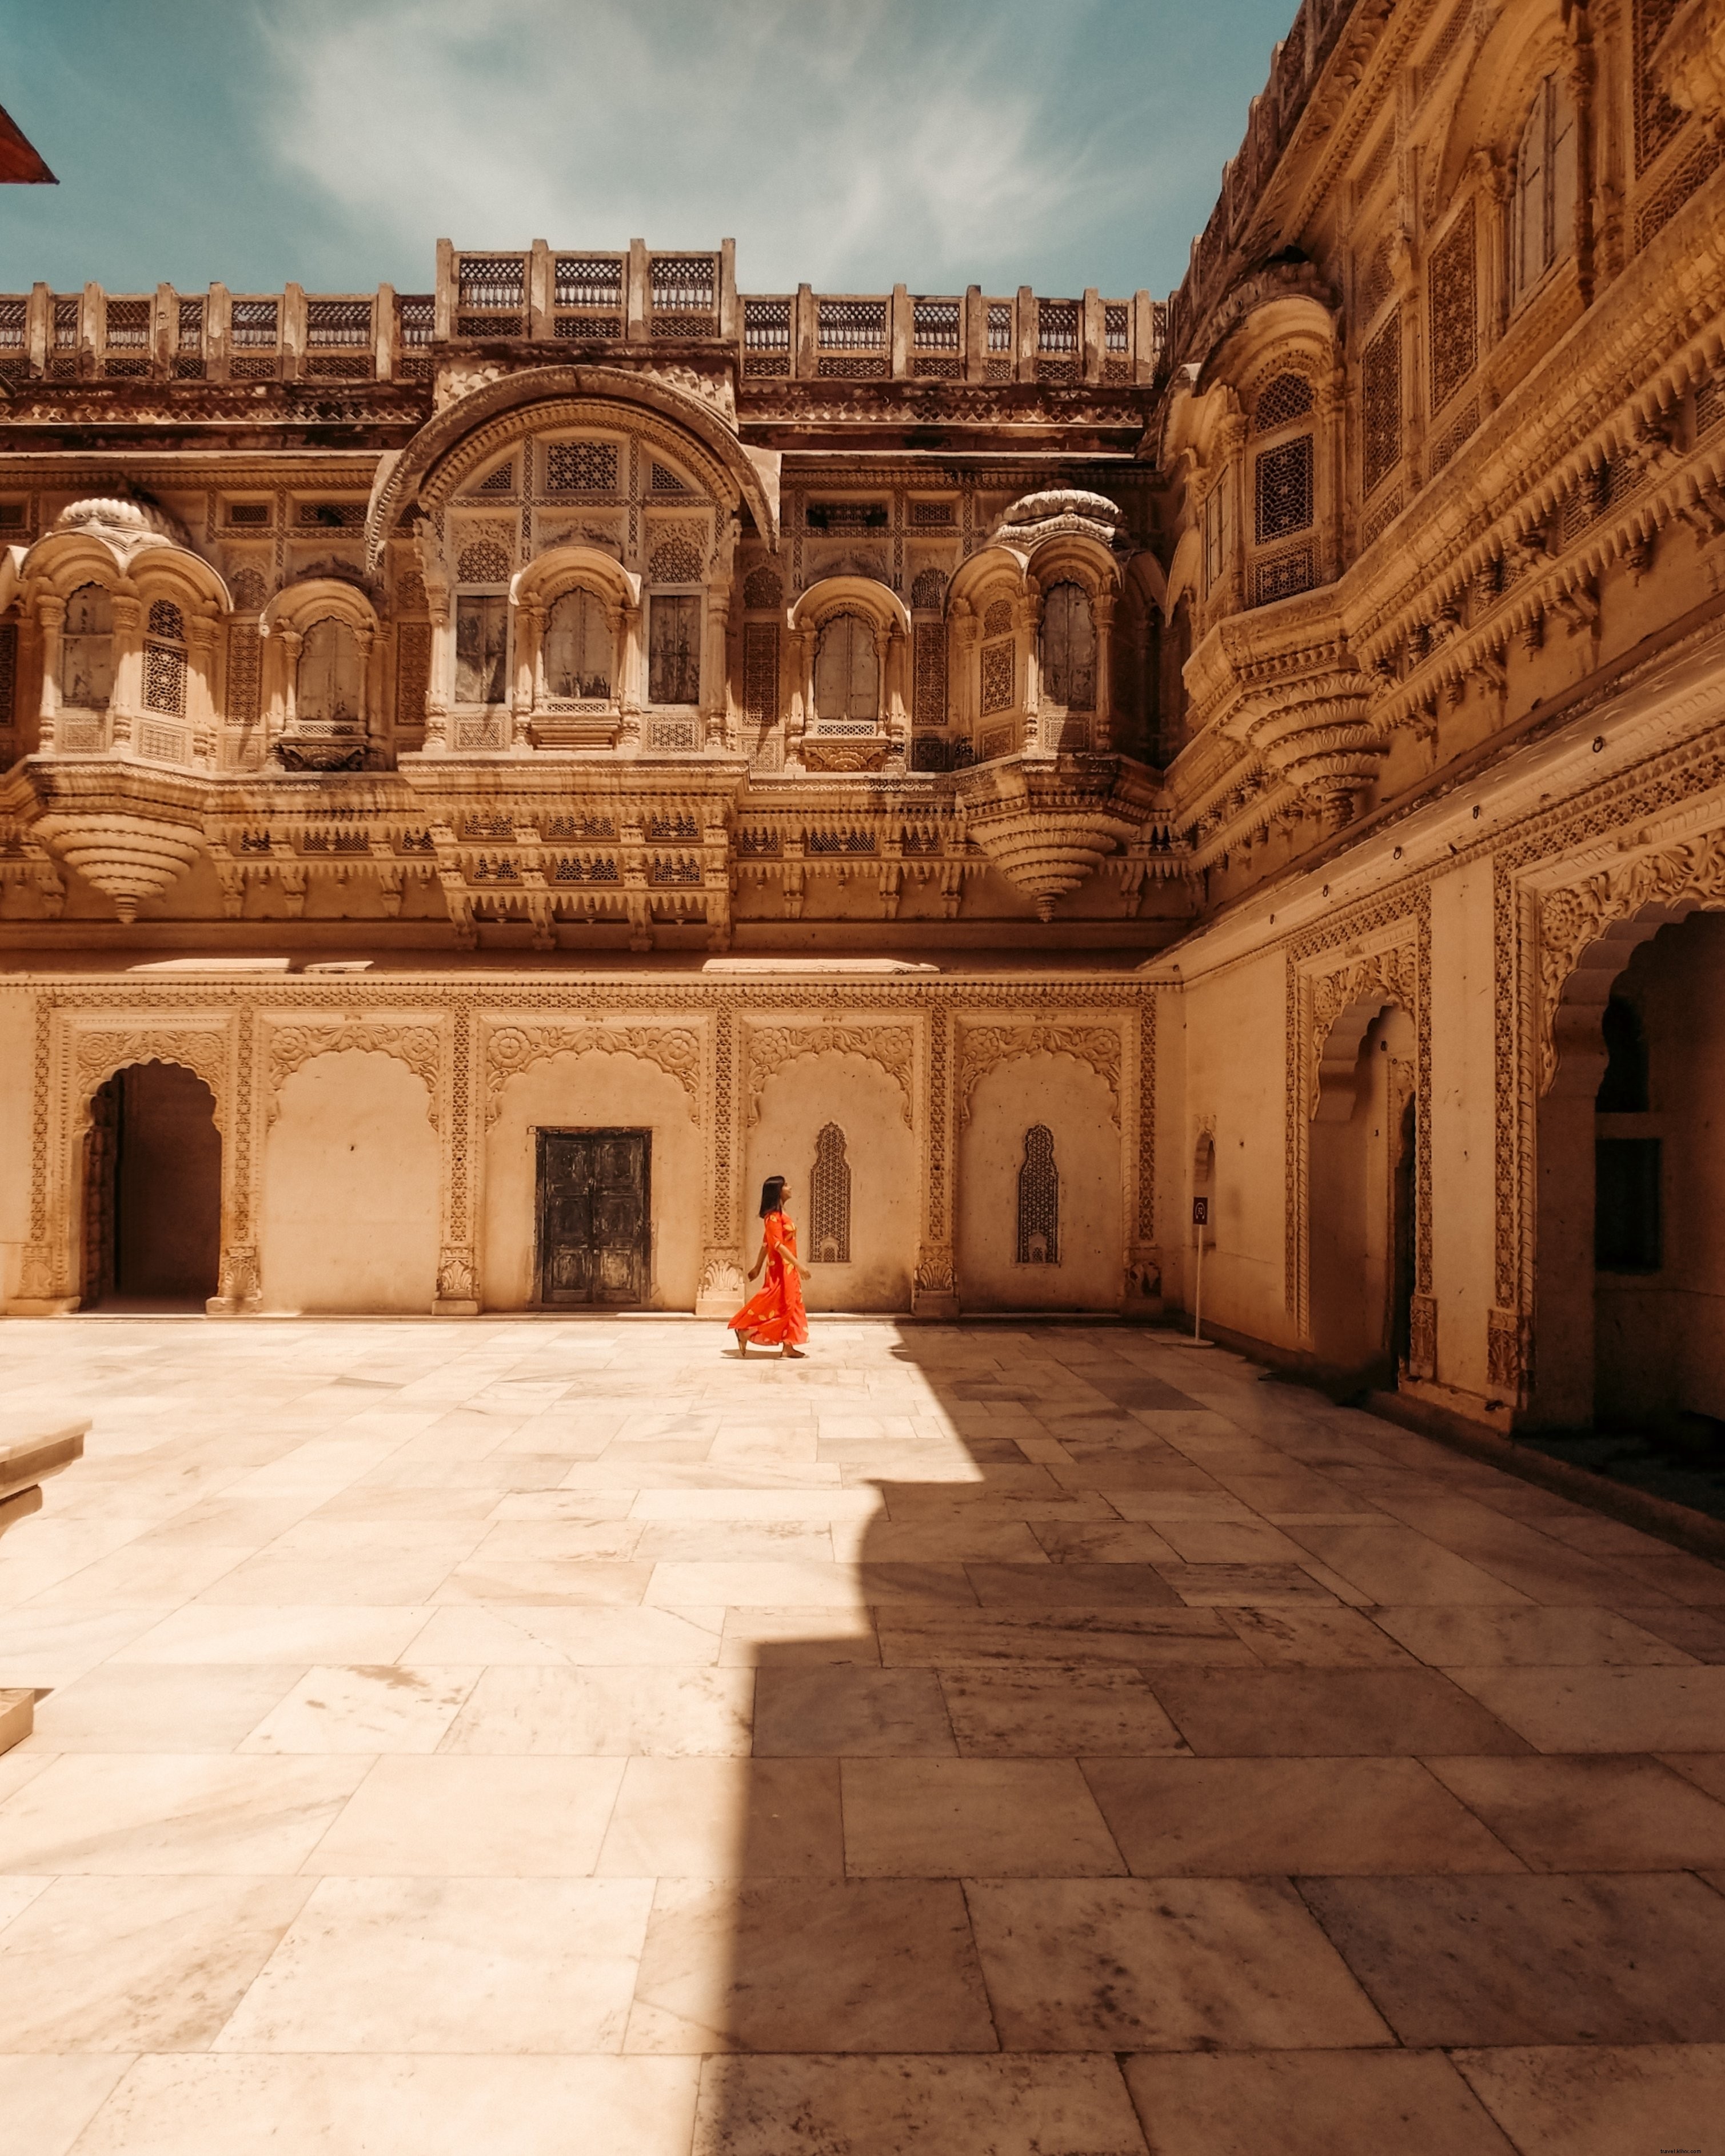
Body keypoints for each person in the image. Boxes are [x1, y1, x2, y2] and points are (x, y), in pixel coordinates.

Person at [728, 1173, 811, 1358]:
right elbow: (776, 1245)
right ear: (778, 1191)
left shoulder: (781, 1215)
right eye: (786, 1185)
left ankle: (788, 1346)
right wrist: (799, 1266)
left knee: (792, 1304)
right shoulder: (772, 1217)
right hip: (781, 1270)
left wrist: (757, 1267)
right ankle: (746, 1332)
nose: (790, 1188)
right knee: (786, 1306)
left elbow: (766, 1243)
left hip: (788, 1269)